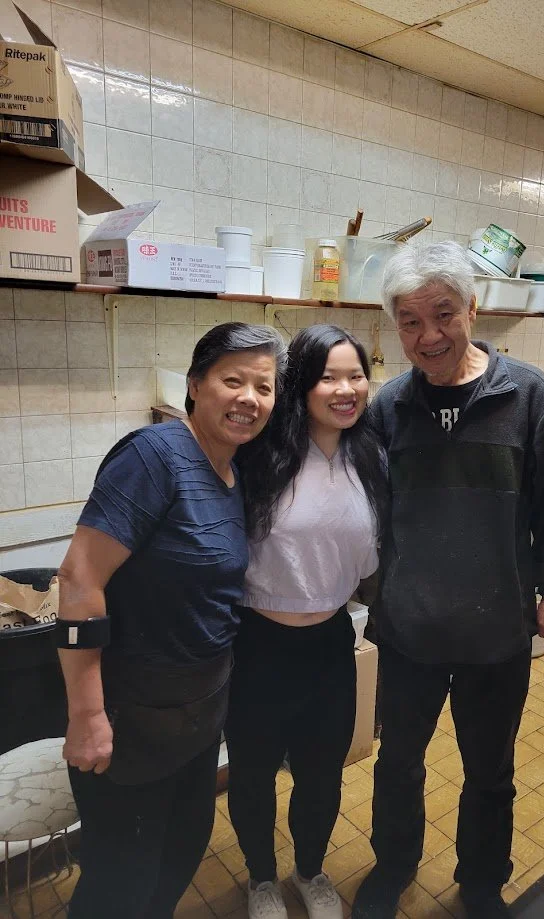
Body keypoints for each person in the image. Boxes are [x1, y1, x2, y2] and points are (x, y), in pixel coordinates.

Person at [352, 241, 544, 919]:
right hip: (408, 626)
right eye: (409, 322)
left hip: (498, 627)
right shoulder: (386, 406)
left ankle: (481, 881)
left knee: (490, 772)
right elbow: (367, 514)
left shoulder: (526, 392)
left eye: (442, 314)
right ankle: (392, 867)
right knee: (397, 765)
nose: (428, 336)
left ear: (471, 308)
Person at [57, 322, 287, 919]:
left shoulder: (235, 471)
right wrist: (86, 716)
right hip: (130, 722)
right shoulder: (155, 456)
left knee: (179, 857)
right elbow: (81, 578)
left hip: (196, 720)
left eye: (264, 387)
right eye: (232, 380)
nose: (249, 398)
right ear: (194, 385)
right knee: (119, 886)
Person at [225, 324, 388, 919]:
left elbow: (372, 554)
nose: (345, 390)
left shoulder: (368, 456)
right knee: (253, 773)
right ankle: (261, 879)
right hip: (258, 642)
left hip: (330, 641)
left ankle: (310, 871)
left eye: (356, 375)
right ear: (301, 386)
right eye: (328, 377)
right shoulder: (261, 455)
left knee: (322, 773)